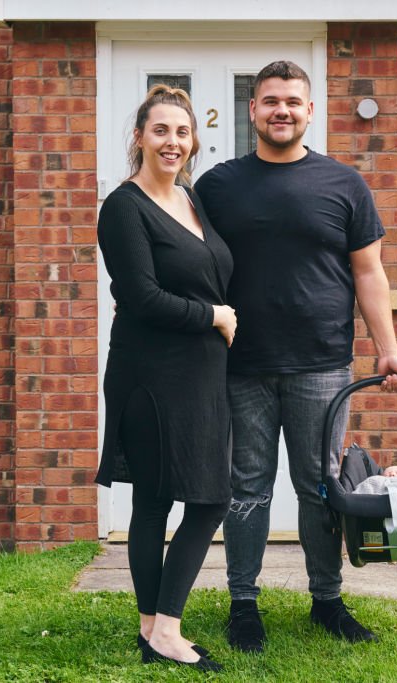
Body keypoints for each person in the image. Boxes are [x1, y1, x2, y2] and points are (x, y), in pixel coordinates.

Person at [195, 60, 397, 653]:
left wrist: (388, 351)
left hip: (322, 365)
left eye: (292, 100)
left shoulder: (344, 184)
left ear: (310, 111)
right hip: (241, 365)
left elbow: (369, 273)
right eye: (270, 101)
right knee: (247, 488)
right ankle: (244, 606)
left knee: (320, 487)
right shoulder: (217, 185)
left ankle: (327, 600)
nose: (281, 110)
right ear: (253, 111)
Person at [95, 85, 236, 673]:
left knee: (198, 496)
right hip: (149, 373)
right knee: (181, 500)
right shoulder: (123, 207)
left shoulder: (191, 198)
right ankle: (167, 628)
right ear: (139, 137)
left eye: (181, 132)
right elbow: (141, 297)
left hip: (200, 373)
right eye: (160, 131)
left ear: (193, 141)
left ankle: (152, 625)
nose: (172, 142)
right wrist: (213, 315)